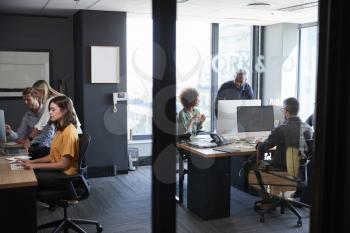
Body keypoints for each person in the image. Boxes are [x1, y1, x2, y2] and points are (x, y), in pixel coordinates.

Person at [17, 96, 79, 191]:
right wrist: (31, 162)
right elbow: (52, 156)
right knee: (29, 173)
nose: (49, 112)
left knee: (28, 179)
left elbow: (64, 165)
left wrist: (34, 166)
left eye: (53, 110)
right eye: (50, 109)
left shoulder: (69, 132)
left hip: (64, 174)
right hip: (59, 170)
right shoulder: (60, 129)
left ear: (64, 110)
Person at [256, 97, 313, 171]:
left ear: (285, 110)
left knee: (259, 158)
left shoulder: (281, 129)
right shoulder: (309, 129)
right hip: (300, 172)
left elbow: (264, 147)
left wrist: (258, 143)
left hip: (281, 170)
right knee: (270, 155)